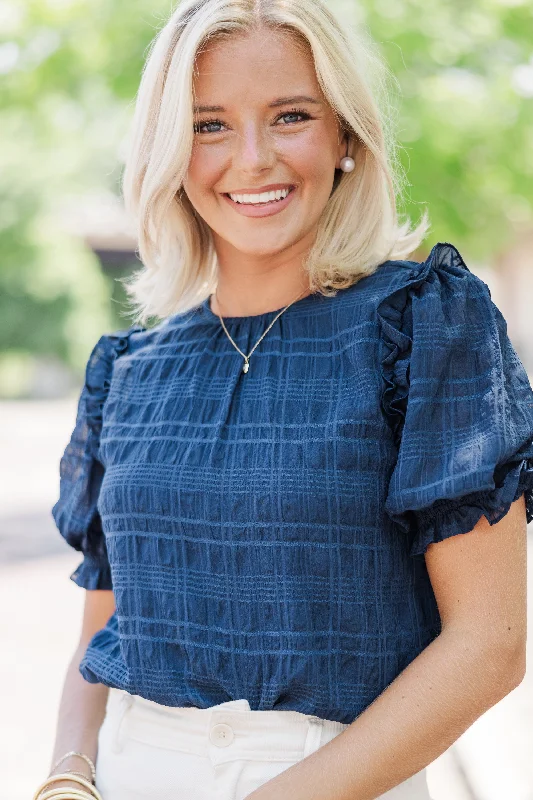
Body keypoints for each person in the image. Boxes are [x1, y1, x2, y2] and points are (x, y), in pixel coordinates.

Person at [35, 1, 533, 799]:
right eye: (208, 125)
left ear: (344, 135)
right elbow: (106, 634)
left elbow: (490, 643)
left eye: (290, 115)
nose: (252, 158)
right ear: (168, 150)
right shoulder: (128, 371)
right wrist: (67, 772)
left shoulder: (424, 324)